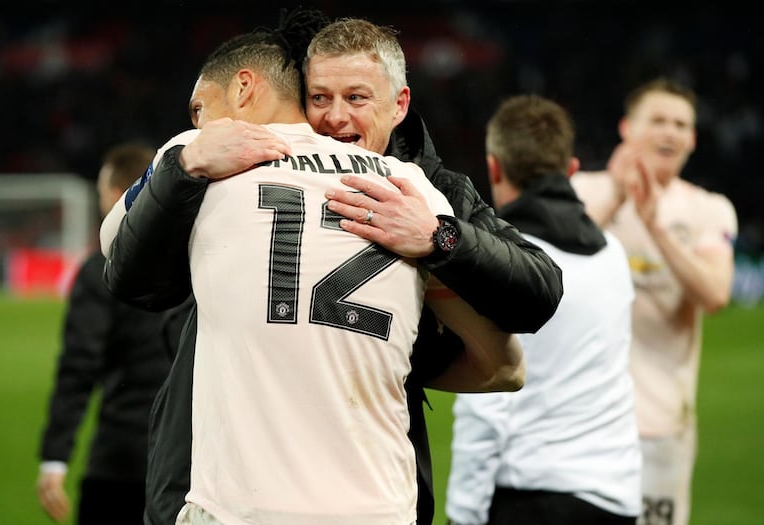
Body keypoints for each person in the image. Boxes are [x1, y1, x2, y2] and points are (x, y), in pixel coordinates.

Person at [101, 12, 562, 525]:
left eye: (357, 98)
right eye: (320, 98)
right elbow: (505, 365)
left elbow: (535, 298)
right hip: (365, 499)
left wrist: (437, 240)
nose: (336, 118)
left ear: (400, 104)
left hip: (250, 499)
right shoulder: (410, 184)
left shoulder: (429, 196)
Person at [444, 94, 642, 525]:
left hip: (530, 495)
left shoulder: (504, 268)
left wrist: (463, 513)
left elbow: (487, 401)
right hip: (617, 496)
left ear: (493, 167)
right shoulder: (614, 255)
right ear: (571, 170)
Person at [570, 77, 738, 525]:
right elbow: (553, 272)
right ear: (627, 128)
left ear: (693, 139)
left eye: (681, 124)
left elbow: (716, 294)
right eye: (658, 120)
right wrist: (618, 197)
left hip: (662, 426)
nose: (670, 132)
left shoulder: (709, 209)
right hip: (579, 421)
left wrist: (655, 226)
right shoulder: (581, 191)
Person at [36, 143, 173, 524]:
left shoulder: (101, 269)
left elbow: (79, 365)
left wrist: (55, 456)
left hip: (120, 460)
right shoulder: (193, 260)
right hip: (187, 462)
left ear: (118, 196)